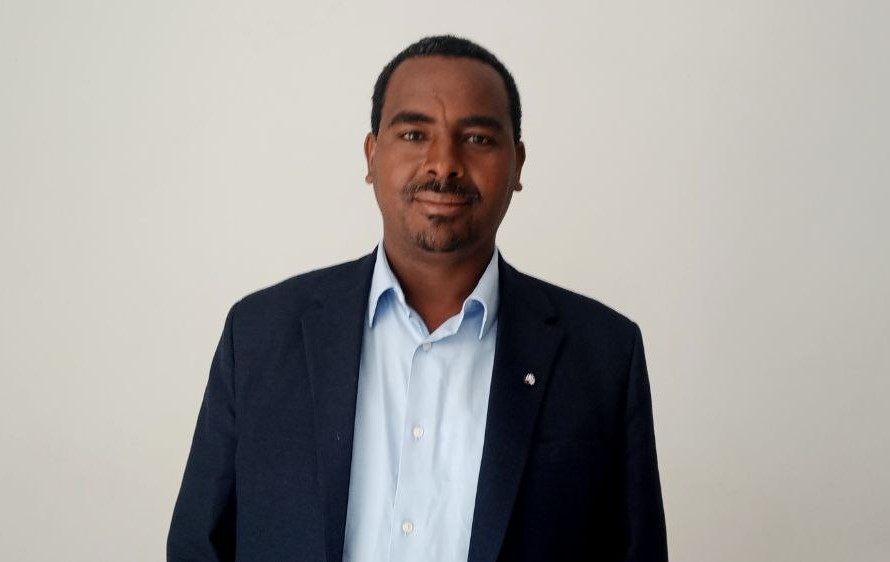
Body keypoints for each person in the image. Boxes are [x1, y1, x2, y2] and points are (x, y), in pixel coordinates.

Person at [167, 35, 667, 562]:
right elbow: (199, 546)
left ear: (517, 164)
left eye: (477, 138)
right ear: (371, 155)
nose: (443, 164)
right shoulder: (260, 334)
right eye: (413, 134)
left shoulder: (603, 355)